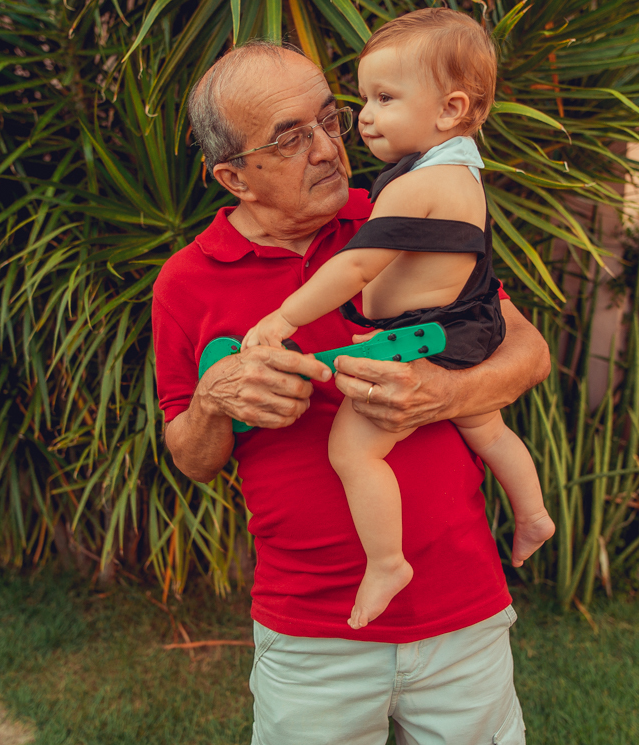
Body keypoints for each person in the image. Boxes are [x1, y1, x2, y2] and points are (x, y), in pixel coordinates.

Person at [153, 39, 549, 744]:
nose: (331, 149)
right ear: (234, 177)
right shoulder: (187, 282)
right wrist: (216, 401)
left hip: (461, 608)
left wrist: (443, 393)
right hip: (310, 629)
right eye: (292, 138)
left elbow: (526, 352)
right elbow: (191, 455)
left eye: (330, 121)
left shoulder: (397, 212)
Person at [242, 9, 554, 631]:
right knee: (486, 430)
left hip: (430, 337)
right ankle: (533, 513)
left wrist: (283, 317)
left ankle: (387, 562)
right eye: (363, 98)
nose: (364, 115)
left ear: (449, 109)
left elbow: (356, 268)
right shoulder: (458, 174)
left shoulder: (418, 185)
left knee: (353, 451)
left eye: (384, 98)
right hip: (464, 326)